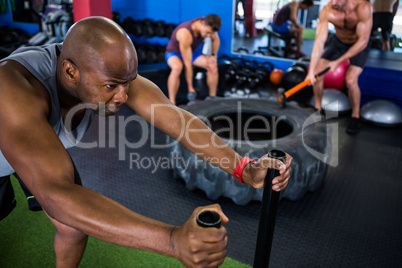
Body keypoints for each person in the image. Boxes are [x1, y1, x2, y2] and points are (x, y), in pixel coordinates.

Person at [0, 16, 292, 267]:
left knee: (73, 227)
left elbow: (177, 120)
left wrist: (245, 167)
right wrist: (172, 240)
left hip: (36, 144)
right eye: (112, 87)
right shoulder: (14, 89)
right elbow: (57, 193)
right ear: (70, 72)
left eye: (127, 83)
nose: (124, 97)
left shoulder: (105, 70)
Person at [306, 0, 372, 134]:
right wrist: (311, 71)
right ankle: (317, 110)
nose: (334, 2)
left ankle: (355, 116)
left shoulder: (362, 7)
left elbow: (363, 41)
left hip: (359, 44)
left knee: (351, 81)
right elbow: (319, 41)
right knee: (318, 73)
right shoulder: (327, 10)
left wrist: (338, 62)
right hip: (339, 42)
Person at [165, 14, 221, 105]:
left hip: (191, 52)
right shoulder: (185, 33)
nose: (208, 36)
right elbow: (188, 63)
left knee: (212, 64)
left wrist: (213, 55)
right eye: (207, 33)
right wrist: (190, 87)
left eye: (210, 33)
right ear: (202, 23)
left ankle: (212, 98)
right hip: (174, 53)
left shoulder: (208, 24)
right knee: (177, 68)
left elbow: (216, 39)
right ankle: (172, 102)